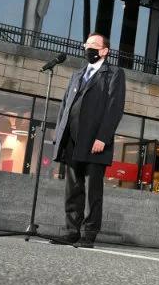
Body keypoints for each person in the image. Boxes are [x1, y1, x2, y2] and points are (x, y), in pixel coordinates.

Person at [52, 33, 126, 248]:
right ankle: (72, 231)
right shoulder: (77, 74)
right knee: (73, 187)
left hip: (95, 141)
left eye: (94, 45)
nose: (89, 48)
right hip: (72, 139)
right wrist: (59, 133)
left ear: (105, 51)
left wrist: (103, 137)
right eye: (87, 44)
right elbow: (65, 105)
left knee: (94, 189)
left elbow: (114, 107)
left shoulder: (114, 73)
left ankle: (89, 233)